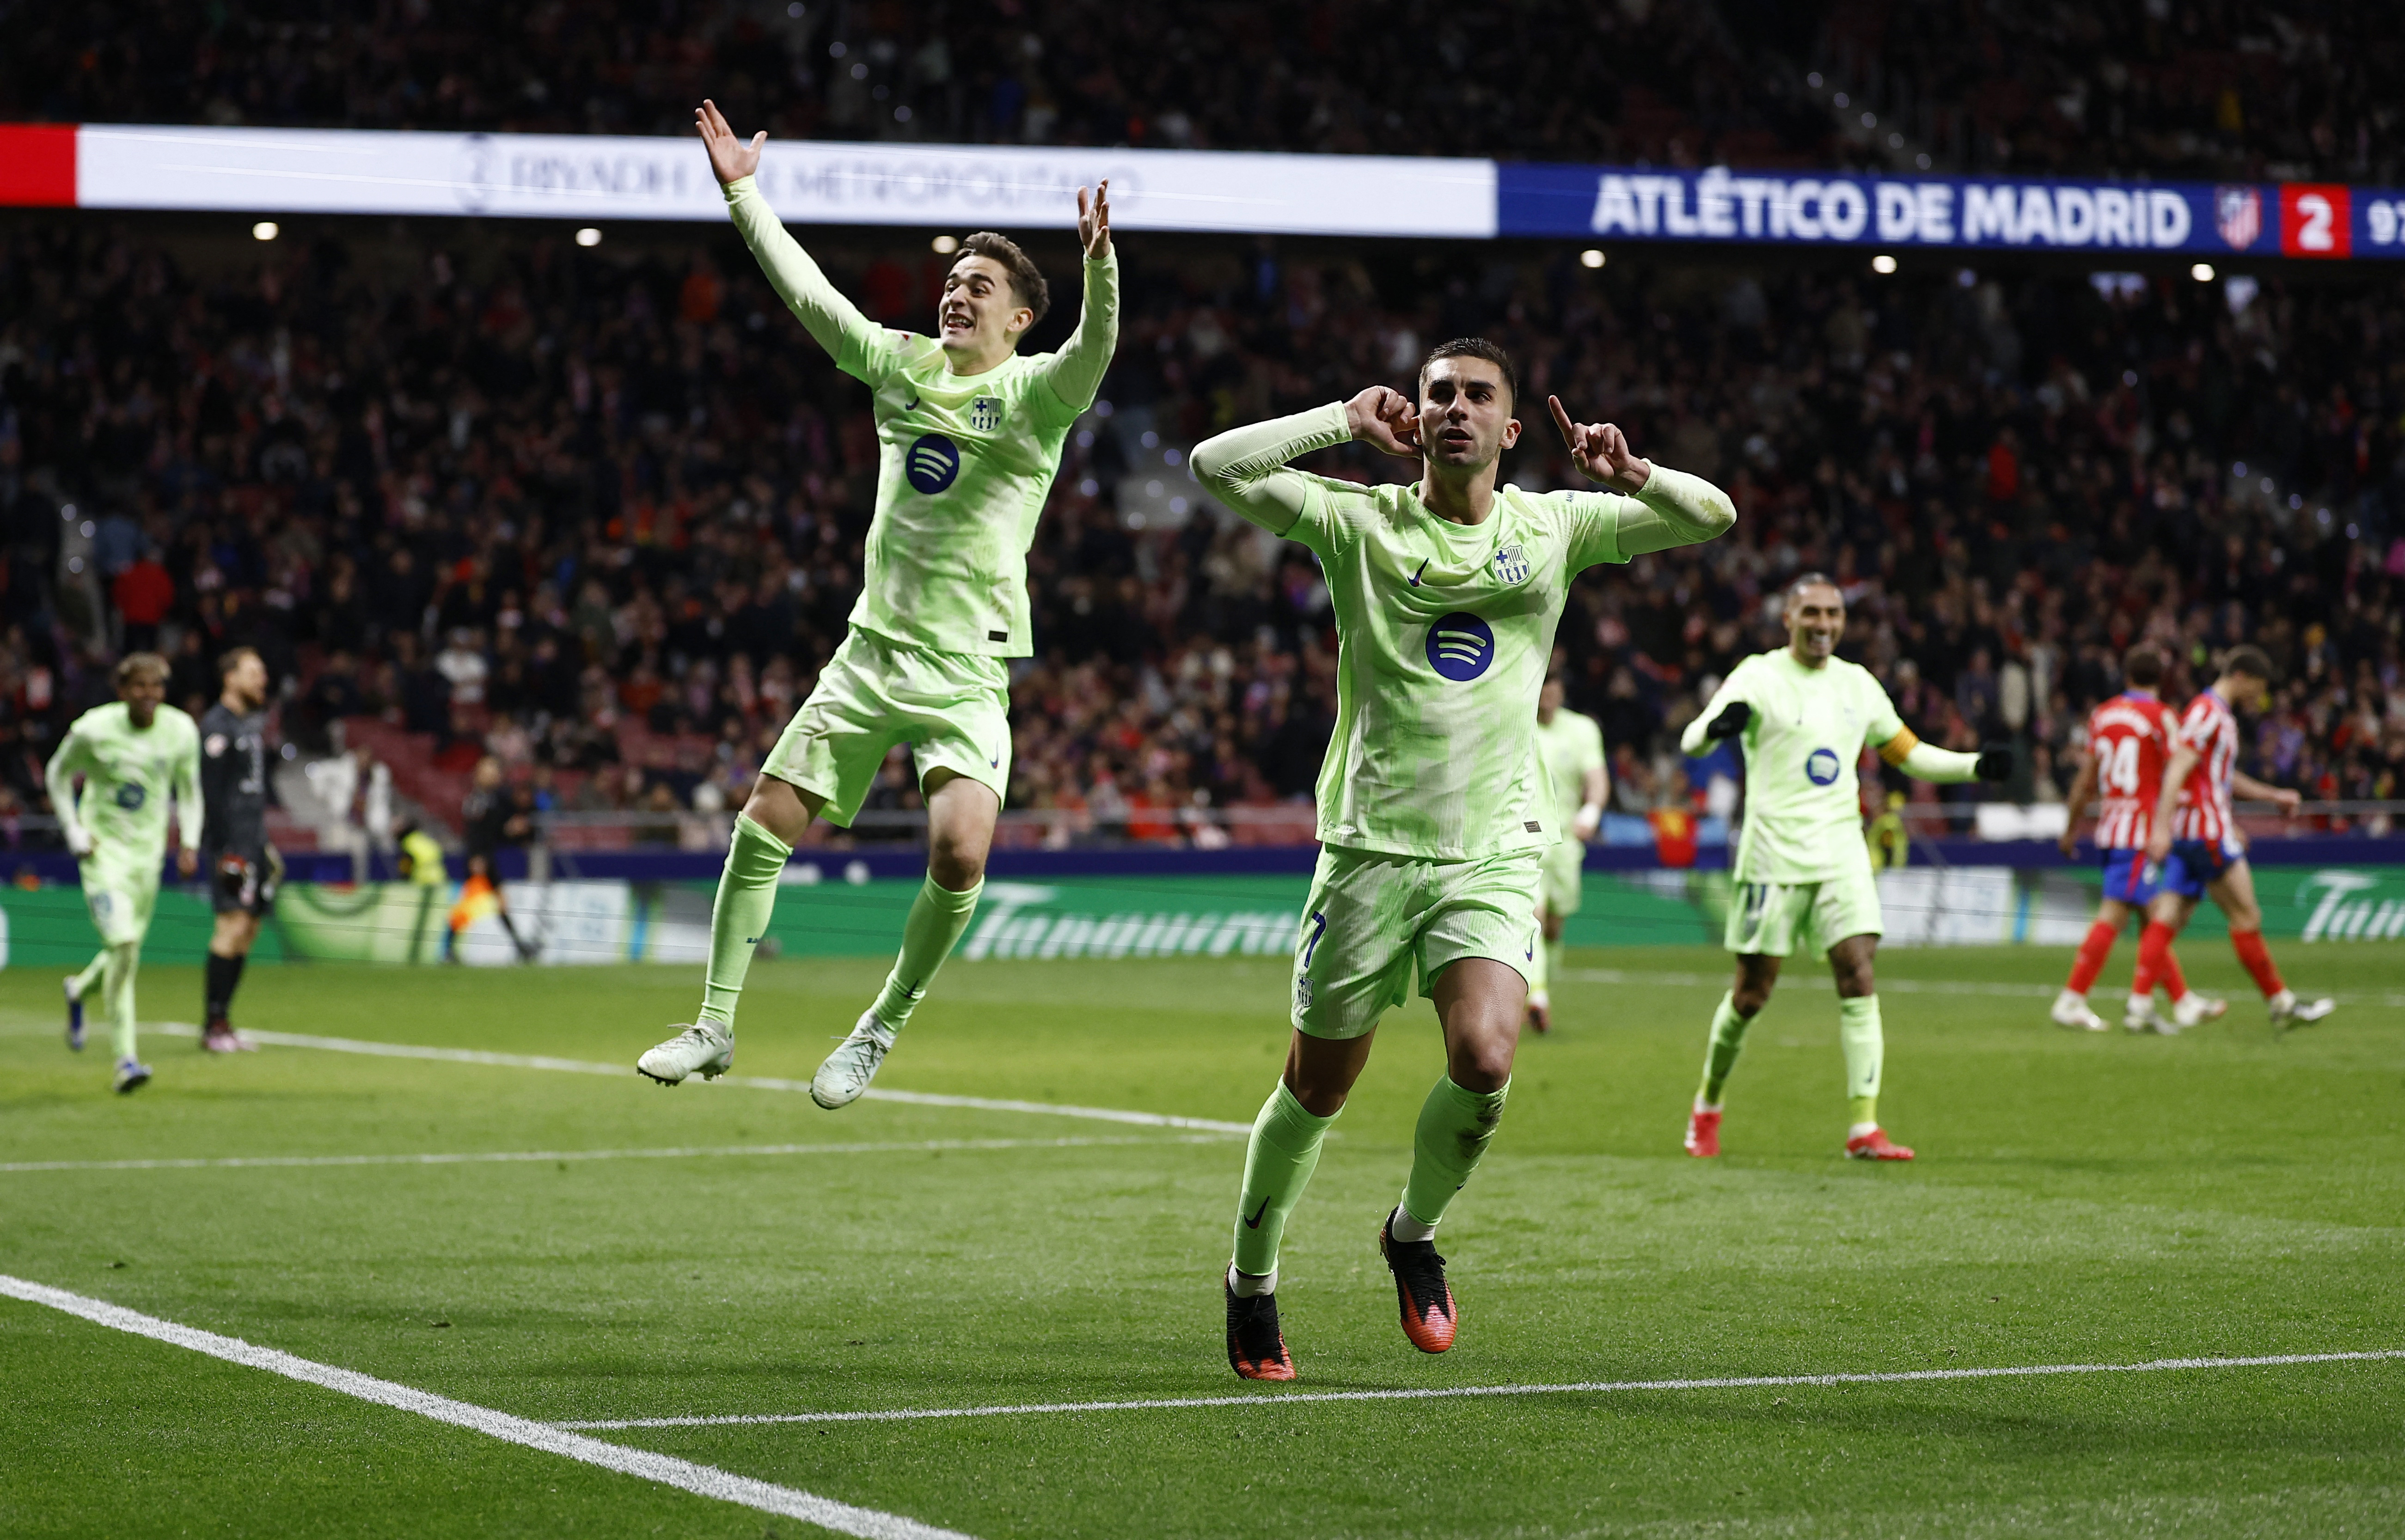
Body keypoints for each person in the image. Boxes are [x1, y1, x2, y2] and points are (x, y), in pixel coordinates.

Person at [1192, 339, 1736, 1381]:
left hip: (1490, 851)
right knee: (1316, 1089)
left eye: (1477, 395)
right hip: (1366, 849)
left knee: (1487, 1060)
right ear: (1417, 414)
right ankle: (1251, 1279)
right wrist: (1340, 422)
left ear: (1510, 428)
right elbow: (1215, 467)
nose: (1454, 408)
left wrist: (1638, 477)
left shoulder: (1556, 526)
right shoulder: (1360, 521)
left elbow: (1713, 518)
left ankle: (1410, 1232)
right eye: (1438, 392)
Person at [636, 101, 1119, 1104]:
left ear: (1019, 317)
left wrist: (1099, 269)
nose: (956, 295)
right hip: (869, 652)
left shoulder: (1036, 395)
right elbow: (810, 296)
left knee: (959, 846)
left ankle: (880, 1025)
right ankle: (716, 1023)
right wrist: (740, 194)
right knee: (762, 819)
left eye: (977, 287)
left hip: (966, 664)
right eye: (950, 282)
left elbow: (1093, 353)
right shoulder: (898, 365)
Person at [1679, 575, 2010, 1163]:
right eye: (1812, 612)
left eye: (1833, 612)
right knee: (1752, 993)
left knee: (1858, 973)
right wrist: (1717, 728)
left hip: (1840, 853)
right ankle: (1707, 1104)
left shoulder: (1857, 685)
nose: (1824, 623)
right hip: (1771, 856)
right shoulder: (1758, 675)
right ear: (1789, 618)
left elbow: (1908, 753)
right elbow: (1692, 741)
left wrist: (1976, 766)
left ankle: (1864, 1126)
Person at [2141, 647, 2334, 1031]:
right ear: (2242, 676)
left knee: (2168, 917)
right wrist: (2162, 827)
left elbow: (2220, 781)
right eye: (2257, 689)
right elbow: (2178, 767)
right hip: (2204, 833)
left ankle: (2138, 1003)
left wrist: (2272, 795)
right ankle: (2281, 1003)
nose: (2258, 699)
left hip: (2198, 829)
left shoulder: (2218, 715)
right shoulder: (2207, 712)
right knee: (2246, 916)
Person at [47, 653, 202, 1093]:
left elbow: (190, 793)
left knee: (125, 951)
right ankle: (125, 1061)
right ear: (122, 690)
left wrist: (188, 842)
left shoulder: (180, 731)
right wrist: (74, 831)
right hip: (103, 855)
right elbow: (58, 776)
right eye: (139, 686)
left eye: (156, 686)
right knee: (125, 944)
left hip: (147, 859)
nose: (149, 694)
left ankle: (79, 990)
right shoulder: (93, 730)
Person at [2050, 643, 2220, 1033]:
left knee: (2151, 918)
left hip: (2111, 829)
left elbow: (2085, 781)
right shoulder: (2162, 717)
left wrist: (2071, 828)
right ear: (2161, 679)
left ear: (2125, 676)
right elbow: (2182, 768)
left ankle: (2181, 1001)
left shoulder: (2102, 715)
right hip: (2141, 833)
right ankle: (2071, 999)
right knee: (2117, 913)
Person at [197, 646, 276, 1051]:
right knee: (230, 925)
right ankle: (213, 1025)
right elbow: (210, 795)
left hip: (253, 843)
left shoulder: (250, 725)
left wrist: (261, 845)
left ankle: (224, 1021)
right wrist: (225, 847)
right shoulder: (216, 726)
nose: (261, 679)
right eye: (253, 672)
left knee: (248, 928)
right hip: (232, 847)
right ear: (230, 678)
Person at [1523, 673, 1606, 1033]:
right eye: (1542, 688)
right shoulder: (1517, 724)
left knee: (1554, 927)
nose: (1547, 696)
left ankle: (1542, 987)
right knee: (1535, 919)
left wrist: (1592, 812)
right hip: (1526, 838)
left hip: (1566, 841)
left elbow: (1597, 778)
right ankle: (1537, 996)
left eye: (1553, 689)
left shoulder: (1582, 729)